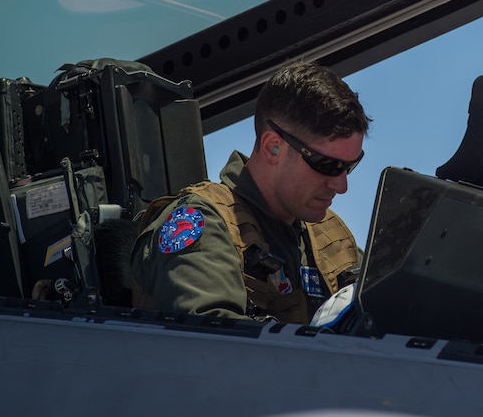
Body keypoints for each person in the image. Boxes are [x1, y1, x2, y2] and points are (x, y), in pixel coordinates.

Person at [131, 60, 370, 323]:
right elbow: (214, 345)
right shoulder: (203, 223)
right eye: (327, 165)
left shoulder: (331, 235)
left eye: (349, 166)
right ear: (273, 148)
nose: (341, 186)